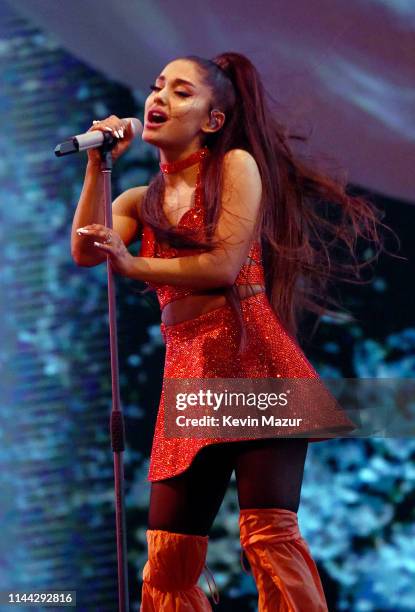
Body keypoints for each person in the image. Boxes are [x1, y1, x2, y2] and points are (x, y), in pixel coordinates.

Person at [71, 52, 390, 610]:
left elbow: (222, 264)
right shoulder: (133, 202)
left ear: (212, 121)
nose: (159, 99)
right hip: (190, 376)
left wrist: (136, 264)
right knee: (169, 562)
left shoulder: (234, 166)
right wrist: (100, 164)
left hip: (254, 364)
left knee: (268, 538)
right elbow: (85, 250)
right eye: (156, 87)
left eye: (181, 91)